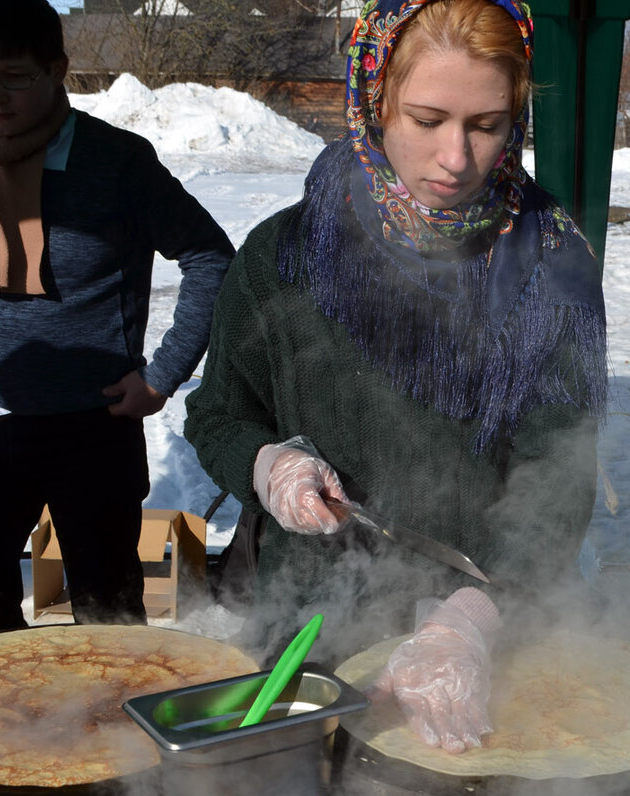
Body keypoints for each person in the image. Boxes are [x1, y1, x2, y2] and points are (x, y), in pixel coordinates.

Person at [184, 0, 605, 754]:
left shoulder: (551, 267)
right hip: (308, 634)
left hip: (483, 637)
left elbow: (558, 474)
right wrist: (268, 462)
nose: (456, 158)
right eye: (427, 119)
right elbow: (219, 414)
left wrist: (470, 621)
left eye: (487, 125)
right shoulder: (283, 259)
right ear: (374, 101)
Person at [0, 0, 235, 637]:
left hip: (95, 427)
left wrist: (163, 375)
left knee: (106, 619)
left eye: (15, 76)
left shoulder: (116, 162)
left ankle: (106, 733)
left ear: (56, 70)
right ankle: (4, 730)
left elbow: (209, 256)